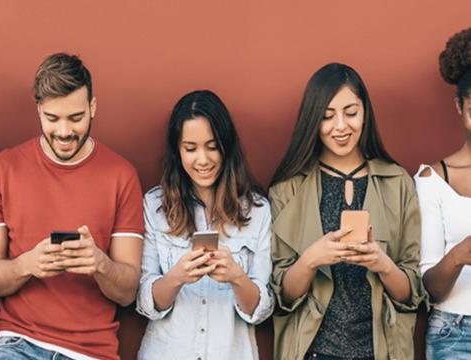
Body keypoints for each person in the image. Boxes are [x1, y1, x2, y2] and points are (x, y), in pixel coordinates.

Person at [0, 53, 144, 360]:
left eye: (76, 118)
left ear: (93, 107)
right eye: (52, 118)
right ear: (39, 110)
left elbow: (127, 292)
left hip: (91, 352)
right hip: (18, 343)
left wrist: (100, 264)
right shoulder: (6, 167)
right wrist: (26, 264)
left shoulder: (121, 176)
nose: (65, 132)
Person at [269, 63, 424, 360]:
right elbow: (282, 296)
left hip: (380, 351)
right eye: (327, 116)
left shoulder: (397, 183)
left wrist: (382, 263)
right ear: (312, 120)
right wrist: (312, 259)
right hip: (313, 351)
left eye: (351, 113)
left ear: (365, 113)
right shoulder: (287, 190)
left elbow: (410, 294)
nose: (340, 126)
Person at [136, 90, 274, 360]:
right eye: (190, 148)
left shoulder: (257, 210)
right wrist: (178, 276)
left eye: (212, 147)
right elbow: (146, 302)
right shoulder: (155, 205)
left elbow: (259, 310)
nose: (202, 160)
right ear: (177, 151)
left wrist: (236, 276)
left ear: (226, 145)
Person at [414, 27, 471, 359]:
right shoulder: (432, 179)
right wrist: (460, 255)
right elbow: (430, 288)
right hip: (455, 332)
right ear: (459, 106)